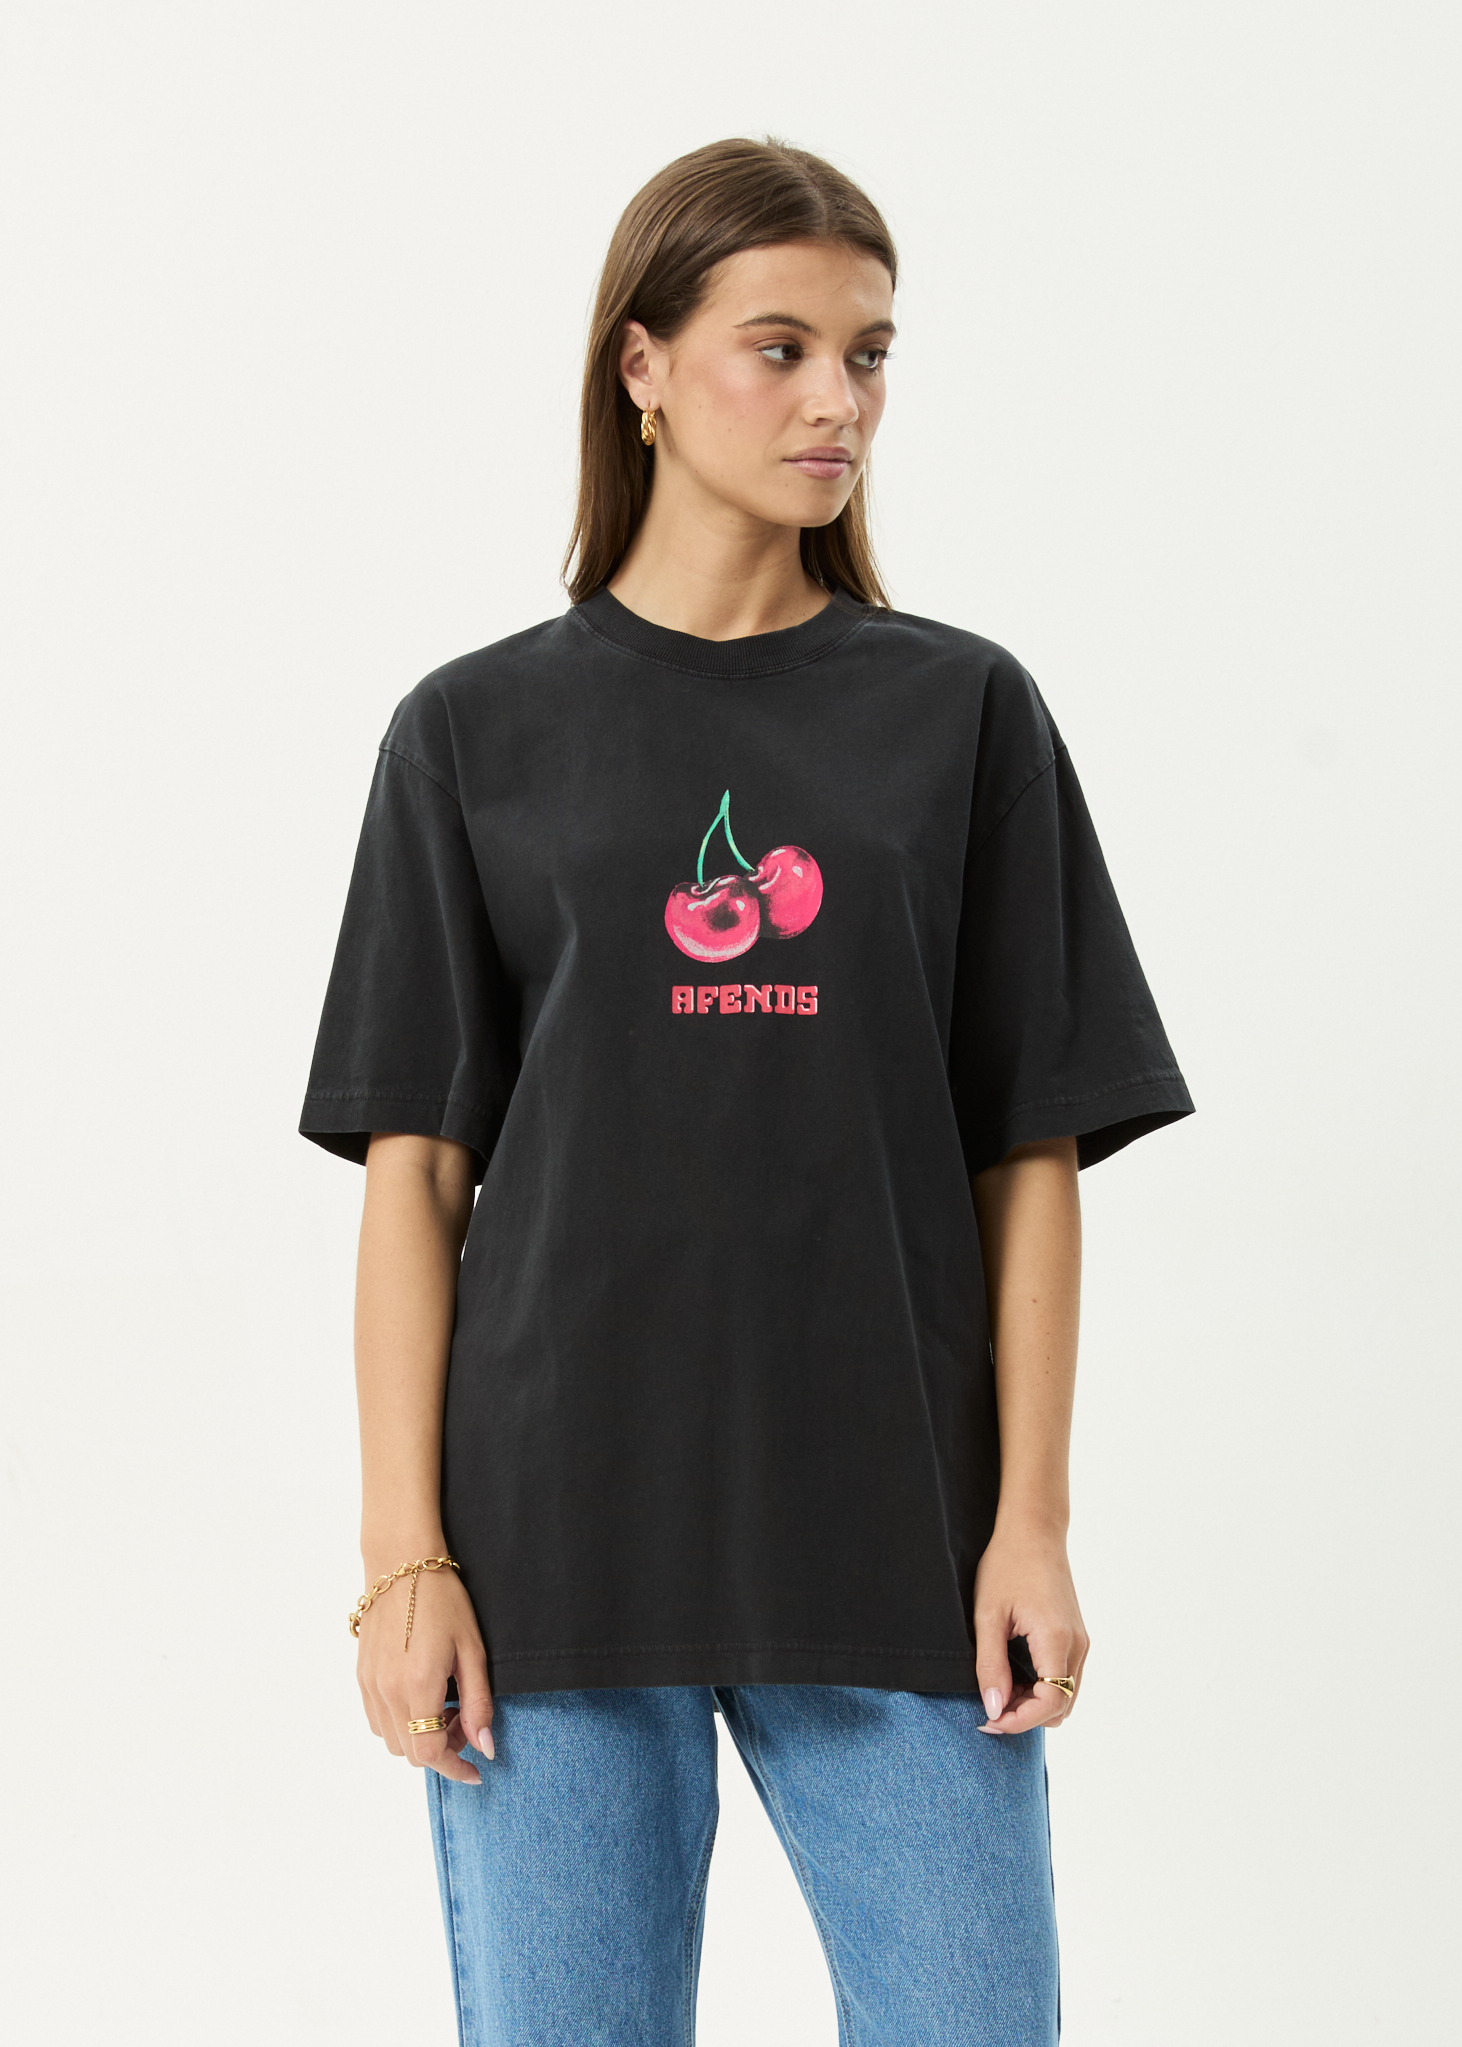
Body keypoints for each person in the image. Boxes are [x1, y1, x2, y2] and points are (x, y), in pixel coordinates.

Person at [300, 137, 1193, 2047]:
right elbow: (416, 1175)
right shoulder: (469, 734)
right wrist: (403, 1559)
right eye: (778, 349)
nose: (834, 402)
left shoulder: (961, 713)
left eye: (868, 356)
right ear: (640, 365)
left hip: (896, 1536)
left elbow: (1028, 1149)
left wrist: (1031, 1519)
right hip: (552, 1549)